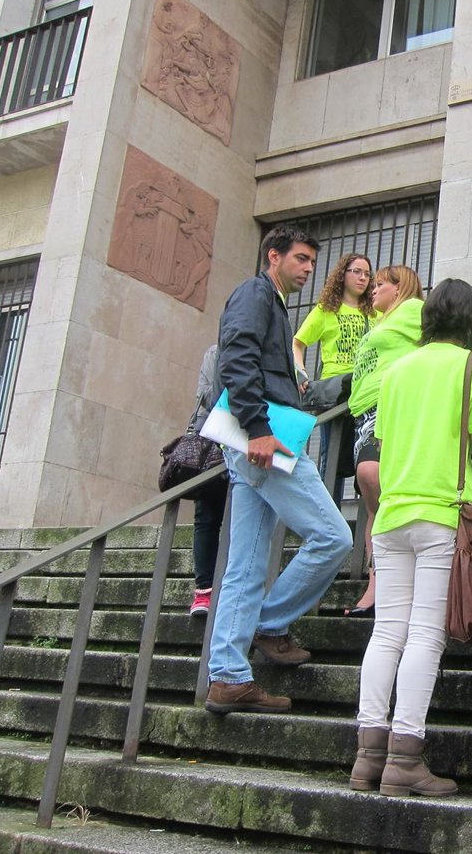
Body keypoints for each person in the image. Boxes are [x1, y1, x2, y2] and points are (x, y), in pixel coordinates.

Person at [350, 278, 472, 797]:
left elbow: (385, 440)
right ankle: (404, 757)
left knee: (386, 633)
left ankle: (367, 756)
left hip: (391, 515)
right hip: (442, 515)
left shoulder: (397, 371)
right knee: (424, 635)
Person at [205, 225, 353, 714]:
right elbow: (236, 358)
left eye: (312, 261)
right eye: (301, 259)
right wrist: (258, 427)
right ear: (274, 256)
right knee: (334, 536)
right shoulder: (255, 293)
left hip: (259, 440)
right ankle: (269, 625)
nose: (309, 269)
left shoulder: (272, 302)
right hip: (263, 440)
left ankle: (228, 676)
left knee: (246, 564)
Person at [345, 265, 425, 614]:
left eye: (380, 284)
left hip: (389, 405)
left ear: (400, 288)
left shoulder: (414, 309)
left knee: (372, 475)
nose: (373, 290)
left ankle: (398, 577)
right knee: (373, 503)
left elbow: (439, 343)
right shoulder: (379, 322)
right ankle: (376, 582)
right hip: (362, 413)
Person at [292, 252, 374, 498]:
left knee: (363, 453)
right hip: (334, 392)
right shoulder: (326, 310)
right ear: (342, 275)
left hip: (364, 390)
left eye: (367, 274)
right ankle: (329, 508)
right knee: (332, 456)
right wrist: (301, 374)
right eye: (356, 272)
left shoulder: (374, 313)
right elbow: (297, 342)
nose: (363, 278)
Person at [189, 343, 226, 617]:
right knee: (207, 512)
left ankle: (220, 589)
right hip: (213, 436)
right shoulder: (215, 352)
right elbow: (207, 396)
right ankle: (204, 590)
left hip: (246, 436)